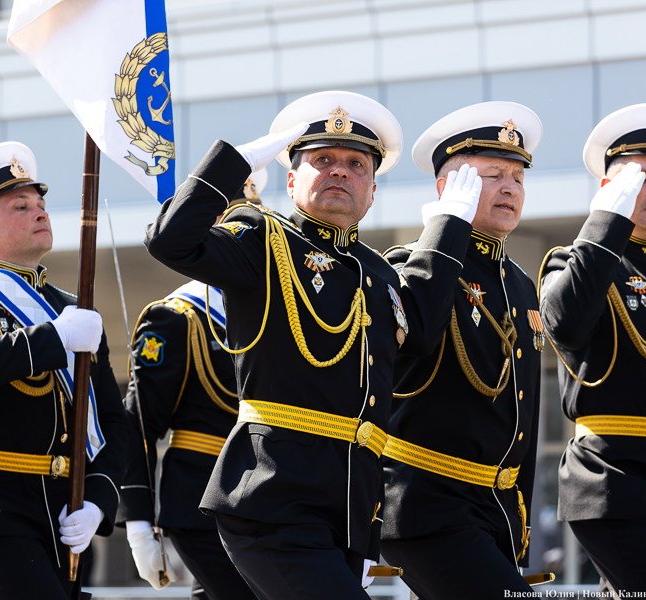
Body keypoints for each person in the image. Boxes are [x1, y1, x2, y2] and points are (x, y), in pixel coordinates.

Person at [145, 90, 482, 599]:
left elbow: (419, 335)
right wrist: (233, 164)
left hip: (349, 509)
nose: (340, 172)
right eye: (322, 160)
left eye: (356, 164)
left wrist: (448, 230)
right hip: (273, 498)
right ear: (291, 179)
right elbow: (172, 240)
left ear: (372, 189)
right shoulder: (262, 238)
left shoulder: (378, 272)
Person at [0, 141, 128, 600]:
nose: (40, 213)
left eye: (41, 203)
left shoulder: (74, 309)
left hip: (65, 507)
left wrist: (99, 498)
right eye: (21, 205)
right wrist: (55, 339)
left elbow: (112, 421)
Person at [379, 102, 544, 597]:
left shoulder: (518, 283)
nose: (510, 187)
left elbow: (524, 419)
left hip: (494, 511)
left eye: (518, 176)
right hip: (426, 505)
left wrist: (520, 525)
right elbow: (416, 341)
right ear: (445, 189)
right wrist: (446, 229)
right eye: (491, 175)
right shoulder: (412, 266)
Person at [539, 104, 646, 595]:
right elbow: (565, 323)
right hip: (618, 483)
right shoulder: (577, 263)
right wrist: (605, 222)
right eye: (641, 177)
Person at [117, 171, 267, 599]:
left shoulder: (277, 310)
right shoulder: (176, 317)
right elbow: (140, 424)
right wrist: (139, 523)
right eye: (238, 225)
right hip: (201, 502)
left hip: (272, 497)